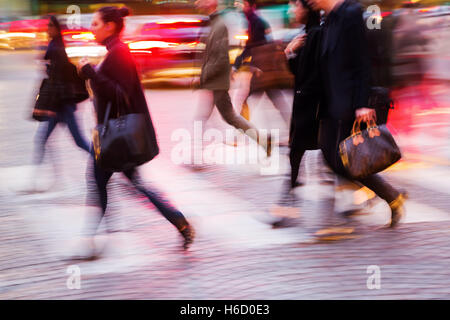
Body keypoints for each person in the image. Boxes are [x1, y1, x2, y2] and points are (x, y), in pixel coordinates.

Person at [77, 6, 195, 257]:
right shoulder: (115, 52)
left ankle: (92, 243)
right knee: (122, 182)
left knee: (99, 182)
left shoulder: (118, 53)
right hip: (117, 136)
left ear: (110, 26)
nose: (92, 28)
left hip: (116, 136)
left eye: (96, 23)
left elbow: (119, 94)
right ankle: (180, 223)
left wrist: (90, 72)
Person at [307, 0, 407, 228]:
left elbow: (362, 61)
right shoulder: (329, 18)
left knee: (344, 158)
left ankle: (390, 196)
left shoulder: (350, 13)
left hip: (350, 102)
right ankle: (390, 195)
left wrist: (363, 103)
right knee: (331, 156)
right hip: (332, 101)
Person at [192, 0, 272, 162]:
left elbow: (220, 58)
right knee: (227, 117)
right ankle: (262, 140)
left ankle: (195, 156)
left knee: (213, 117)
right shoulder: (213, 22)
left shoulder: (219, 25)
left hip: (216, 81)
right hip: (214, 81)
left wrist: (204, 76)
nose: (198, 2)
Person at [270, 0, 322, 228]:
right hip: (305, 107)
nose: (291, 11)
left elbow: (312, 75)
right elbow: (298, 72)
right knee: (295, 157)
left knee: (336, 160)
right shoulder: (305, 34)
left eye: (294, 6)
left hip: (314, 110)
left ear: (306, 8)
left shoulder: (316, 34)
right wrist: (290, 52)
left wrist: (293, 54)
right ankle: (286, 208)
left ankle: (389, 195)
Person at [31, 15, 90, 189]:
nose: (47, 28)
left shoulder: (56, 48)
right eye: (47, 25)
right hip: (61, 104)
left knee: (78, 141)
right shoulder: (55, 46)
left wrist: (50, 107)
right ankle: (49, 179)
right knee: (43, 140)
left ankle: (104, 163)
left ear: (56, 29)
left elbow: (58, 81)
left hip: (62, 106)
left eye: (50, 25)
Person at [232, 0, 292, 140]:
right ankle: (292, 132)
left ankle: (238, 135)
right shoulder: (255, 20)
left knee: (248, 100)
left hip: (261, 70)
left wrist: (236, 63)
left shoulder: (255, 21)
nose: (242, 7)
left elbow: (252, 46)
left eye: (244, 4)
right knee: (276, 99)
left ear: (251, 6)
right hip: (263, 69)